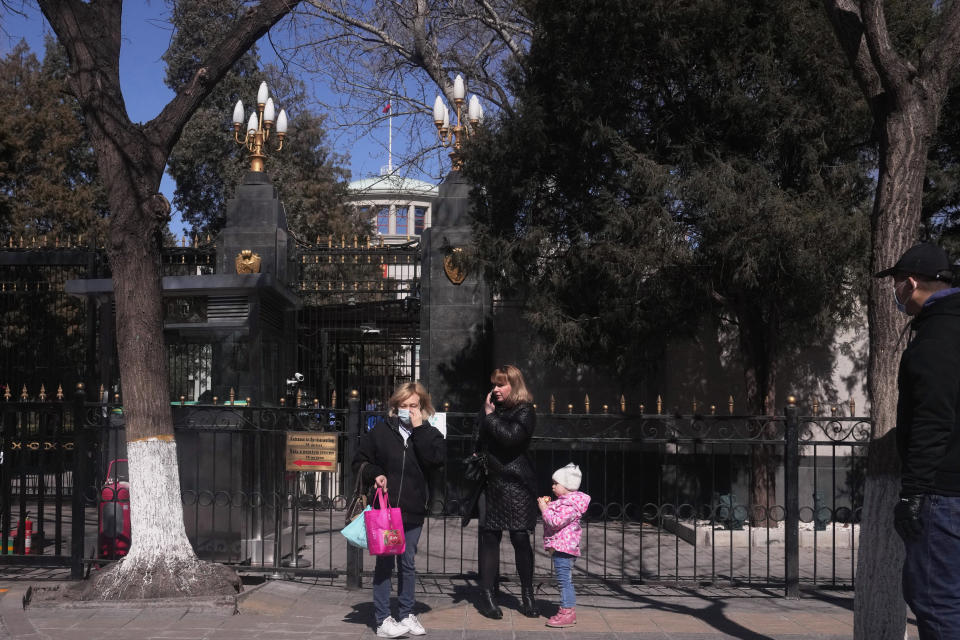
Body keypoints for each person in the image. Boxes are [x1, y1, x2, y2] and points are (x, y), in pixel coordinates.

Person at [875, 242, 960, 638]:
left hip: (942, 494)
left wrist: (913, 495)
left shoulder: (936, 339)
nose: (895, 293)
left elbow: (932, 420)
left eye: (894, 283)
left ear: (910, 283)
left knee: (936, 602)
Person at [353, 382, 446, 638]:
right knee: (385, 562)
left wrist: (420, 429)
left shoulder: (430, 432)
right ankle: (383, 619)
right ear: (395, 407)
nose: (408, 410)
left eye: (413, 406)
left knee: (407, 563)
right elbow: (360, 461)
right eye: (403, 406)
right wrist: (377, 474)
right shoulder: (381, 432)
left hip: (414, 508)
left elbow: (436, 460)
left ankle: (406, 614)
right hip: (386, 510)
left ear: (423, 407)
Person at [469, 365, 540, 619]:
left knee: (520, 537)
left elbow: (511, 439)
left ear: (514, 385)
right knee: (490, 537)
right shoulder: (490, 410)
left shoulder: (525, 411)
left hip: (516, 483)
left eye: (501, 384)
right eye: (494, 384)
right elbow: (477, 437)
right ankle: (488, 595)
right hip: (491, 482)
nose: (495, 389)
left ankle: (528, 594)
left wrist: (489, 417)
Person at [538, 463, 590, 628]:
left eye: (556, 483)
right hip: (561, 547)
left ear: (567, 486)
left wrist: (544, 509)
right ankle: (567, 611)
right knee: (564, 580)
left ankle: (567, 612)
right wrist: (549, 505)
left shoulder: (570, 505)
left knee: (564, 581)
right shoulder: (565, 502)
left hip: (564, 548)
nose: (552, 486)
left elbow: (555, 522)